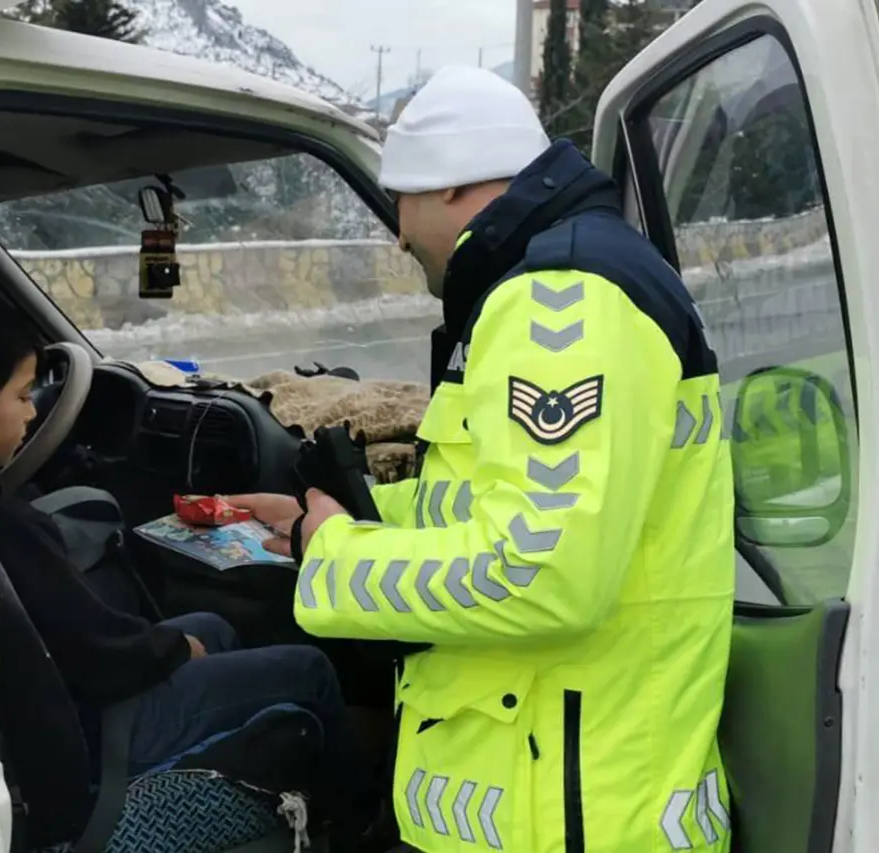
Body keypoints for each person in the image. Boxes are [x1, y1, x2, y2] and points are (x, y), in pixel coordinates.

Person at [230, 65, 735, 853]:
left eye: (402, 201)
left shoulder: (561, 300)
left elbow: (540, 571)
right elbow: (500, 502)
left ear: (455, 189)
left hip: (573, 814)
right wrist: (332, 516)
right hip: (565, 793)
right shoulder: (555, 284)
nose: (397, 233)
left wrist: (331, 554)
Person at [0, 290, 377, 845]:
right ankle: (357, 823)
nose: (33, 410)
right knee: (309, 669)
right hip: (99, 727)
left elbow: (87, 639)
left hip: (76, 697)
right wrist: (170, 650)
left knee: (212, 626)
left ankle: (261, 750)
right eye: (21, 394)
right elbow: (96, 649)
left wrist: (172, 645)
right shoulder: (7, 526)